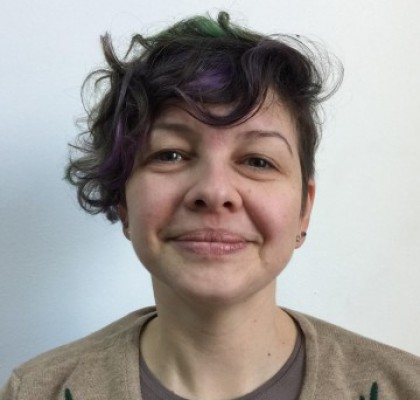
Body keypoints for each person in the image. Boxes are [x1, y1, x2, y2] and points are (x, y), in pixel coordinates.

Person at [1, 11, 419, 400]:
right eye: (170, 155)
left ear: (303, 211)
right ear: (123, 201)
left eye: (258, 161)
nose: (215, 191)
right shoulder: (35, 391)